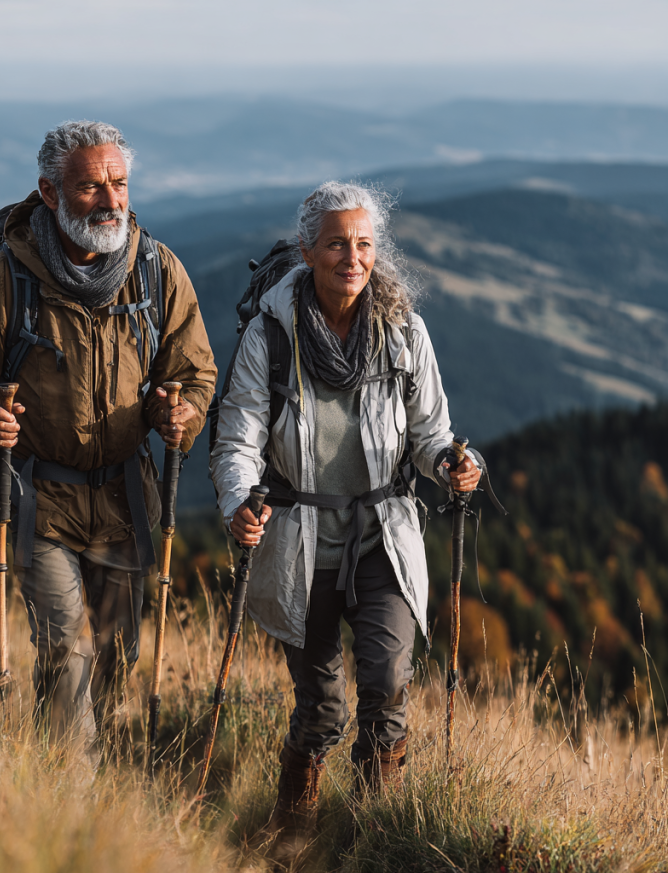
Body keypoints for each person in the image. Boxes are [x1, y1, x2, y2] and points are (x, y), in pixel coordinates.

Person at [209, 181, 480, 860]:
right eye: (336, 243)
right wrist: (240, 501)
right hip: (298, 538)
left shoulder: (401, 328)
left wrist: (450, 462)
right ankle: (293, 831)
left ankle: (373, 837)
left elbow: (429, 431)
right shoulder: (269, 335)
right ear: (307, 249)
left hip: (383, 531)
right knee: (321, 705)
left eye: (362, 244)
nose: (351, 258)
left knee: (386, 684)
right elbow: (236, 440)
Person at [0, 120, 217, 759]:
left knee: (119, 652)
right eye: (91, 187)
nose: (112, 200)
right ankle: (73, 800)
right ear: (50, 191)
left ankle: (76, 756)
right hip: (41, 498)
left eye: (119, 183)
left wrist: (182, 414)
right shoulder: (5, 279)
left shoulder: (155, 271)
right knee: (66, 649)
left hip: (125, 497)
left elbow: (195, 371)